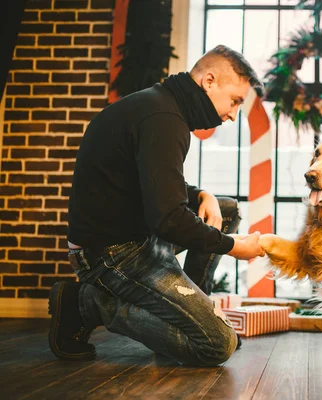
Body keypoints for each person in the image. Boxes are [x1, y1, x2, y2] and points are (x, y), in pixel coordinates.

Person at [48, 45, 265, 366]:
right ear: (209, 82)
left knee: (226, 208)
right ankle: (87, 303)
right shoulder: (164, 118)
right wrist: (233, 246)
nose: (234, 114)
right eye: (235, 101)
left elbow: (149, 181)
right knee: (217, 346)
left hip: (137, 236)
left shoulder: (161, 106)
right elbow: (168, 219)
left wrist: (201, 193)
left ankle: (194, 309)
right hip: (111, 253)